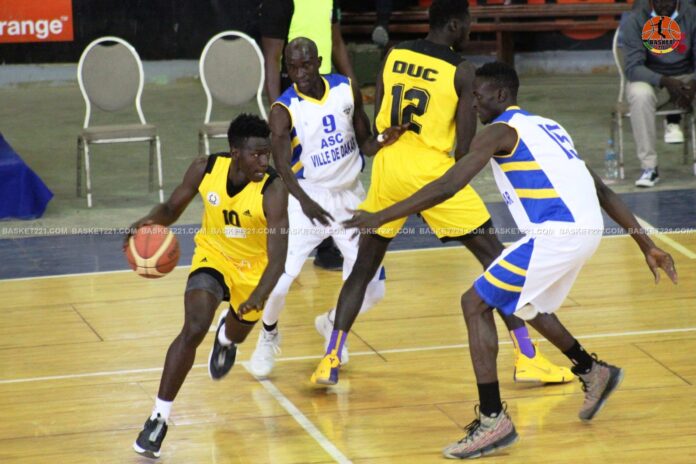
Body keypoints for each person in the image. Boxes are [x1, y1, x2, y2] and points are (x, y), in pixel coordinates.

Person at [343, 61, 678, 459]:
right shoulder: (549, 127)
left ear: (501, 95)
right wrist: (647, 245)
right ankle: (593, 371)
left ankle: (493, 420)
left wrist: (382, 215)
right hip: (585, 231)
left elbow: (450, 183)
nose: (473, 105)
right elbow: (602, 191)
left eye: (478, 97)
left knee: (474, 303)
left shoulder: (500, 131)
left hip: (557, 233)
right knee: (524, 303)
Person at [311, 0, 574, 386]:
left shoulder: (395, 53)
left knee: (363, 268)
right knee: (498, 263)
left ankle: (330, 359)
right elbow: (464, 150)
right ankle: (527, 357)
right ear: (453, 25)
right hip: (432, 173)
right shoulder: (462, 71)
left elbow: (382, 117)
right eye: (467, 24)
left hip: (388, 167)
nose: (470, 29)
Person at [129, 114, 289, 458]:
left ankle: (227, 338)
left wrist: (259, 295)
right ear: (235, 153)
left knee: (236, 332)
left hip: (254, 272)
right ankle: (158, 418)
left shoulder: (274, 190)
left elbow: (278, 259)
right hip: (213, 256)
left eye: (266, 154)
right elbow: (171, 207)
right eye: (256, 154)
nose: (264, 161)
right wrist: (147, 221)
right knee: (194, 327)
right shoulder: (205, 168)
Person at [248, 37, 407, 377]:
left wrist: (383, 140)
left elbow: (365, 143)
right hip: (306, 196)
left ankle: (332, 324)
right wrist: (305, 202)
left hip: (351, 197)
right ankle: (268, 335)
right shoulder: (283, 110)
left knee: (374, 289)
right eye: (293, 68)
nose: (300, 73)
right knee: (278, 280)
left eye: (306, 65)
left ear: (319, 61)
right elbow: (281, 166)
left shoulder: (345, 89)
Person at [260, 0, 357, 270]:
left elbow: (336, 43)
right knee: (291, 170)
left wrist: (354, 85)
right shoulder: (279, 4)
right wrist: (276, 107)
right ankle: (283, 244)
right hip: (295, 88)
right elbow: (272, 57)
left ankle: (326, 246)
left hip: (325, 87)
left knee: (325, 164)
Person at [623, 0, 696, 187]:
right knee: (640, 95)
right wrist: (665, 81)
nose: (664, 5)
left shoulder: (692, 15)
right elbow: (633, 68)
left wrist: (693, 84)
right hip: (652, 78)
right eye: (658, 0)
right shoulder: (636, 19)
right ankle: (649, 167)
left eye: (668, 0)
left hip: (686, 76)